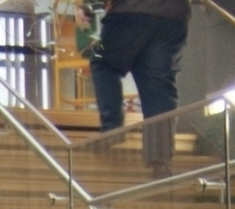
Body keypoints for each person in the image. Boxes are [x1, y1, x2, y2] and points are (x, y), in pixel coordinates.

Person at [77, 0, 189, 178]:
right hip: (173, 18)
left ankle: (112, 129)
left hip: (130, 13)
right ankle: (161, 161)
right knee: (158, 87)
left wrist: (89, 6)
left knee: (102, 62)